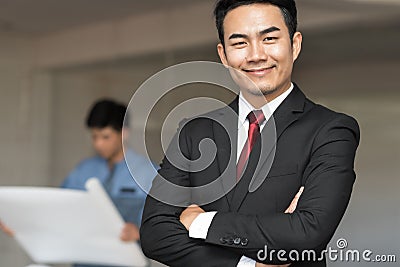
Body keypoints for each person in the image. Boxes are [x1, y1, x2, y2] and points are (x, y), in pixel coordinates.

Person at [140, 1, 360, 267]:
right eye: (240, 43)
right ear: (223, 55)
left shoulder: (330, 131)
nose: (256, 55)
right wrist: (248, 265)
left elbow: (308, 232)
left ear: (295, 44)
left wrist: (201, 222)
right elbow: (154, 233)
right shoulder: (194, 132)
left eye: (269, 38)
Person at [1, 99, 157, 267]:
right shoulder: (84, 170)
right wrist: (23, 226)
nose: (99, 144)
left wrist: (140, 233)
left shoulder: (150, 173)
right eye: (94, 137)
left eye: (106, 137)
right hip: (84, 261)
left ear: (124, 133)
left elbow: (173, 224)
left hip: (128, 262)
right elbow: (56, 211)